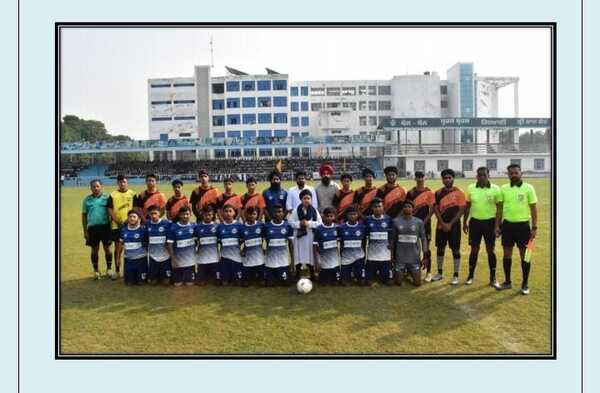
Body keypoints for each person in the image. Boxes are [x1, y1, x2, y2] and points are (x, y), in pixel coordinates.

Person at [496, 163, 538, 295]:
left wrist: (534, 227)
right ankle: (507, 282)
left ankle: (525, 284)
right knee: (506, 254)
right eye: (511, 173)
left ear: (521, 173)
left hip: (523, 226)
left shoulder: (528, 188)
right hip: (507, 225)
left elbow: (533, 208)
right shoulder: (503, 188)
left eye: (516, 172)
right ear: (507, 174)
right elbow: (500, 209)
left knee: (525, 255)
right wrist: (497, 225)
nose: (513, 175)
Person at [463, 167, 502, 287]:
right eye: (479, 175)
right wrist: (464, 222)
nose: (481, 177)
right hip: (475, 223)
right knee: (474, 249)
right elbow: (467, 207)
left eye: (484, 175)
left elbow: (499, 209)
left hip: (490, 223)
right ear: (476, 176)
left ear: (488, 175)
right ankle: (470, 275)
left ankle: (493, 277)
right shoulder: (471, 188)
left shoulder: (496, 189)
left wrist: (497, 226)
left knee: (490, 250)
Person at [432, 168, 466, 285]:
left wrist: (450, 224)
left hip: (454, 226)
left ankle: (456, 275)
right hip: (441, 226)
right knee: (440, 248)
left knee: (455, 250)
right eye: (445, 178)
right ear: (442, 179)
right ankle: (439, 273)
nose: (447, 180)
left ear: (453, 178)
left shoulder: (459, 192)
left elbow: (462, 209)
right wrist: (442, 223)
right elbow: (435, 209)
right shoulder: (437, 193)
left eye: (449, 177)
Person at [406, 171, 435, 282]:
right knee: (411, 247)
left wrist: (424, 221)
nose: (419, 179)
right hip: (412, 224)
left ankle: (428, 272)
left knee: (426, 248)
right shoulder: (411, 192)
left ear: (424, 178)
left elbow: (432, 209)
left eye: (421, 177)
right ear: (415, 178)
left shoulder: (429, 192)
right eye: (417, 177)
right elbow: (407, 208)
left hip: (425, 225)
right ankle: (409, 271)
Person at [391, 200, 428, 287]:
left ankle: (409, 272)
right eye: (405, 207)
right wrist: (392, 255)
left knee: (417, 283)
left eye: (409, 207)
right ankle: (402, 272)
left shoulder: (419, 222)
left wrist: (425, 255)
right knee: (399, 282)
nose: (407, 208)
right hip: (400, 258)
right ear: (402, 209)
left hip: (414, 258)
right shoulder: (396, 221)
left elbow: (423, 239)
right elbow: (392, 239)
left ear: (413, 209)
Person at [81, 179, 113, 280]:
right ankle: (96, 271)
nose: (95, 188)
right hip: (92, 228)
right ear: (90, 188)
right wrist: (85, 231)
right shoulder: (86, 200)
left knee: (107, 249)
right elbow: (84, 216)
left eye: (97, 186)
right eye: (93, 186)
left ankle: (109, 269)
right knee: (94, 250)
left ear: (101, 186)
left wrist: (111, 228)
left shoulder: (107, 198)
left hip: (105, 227)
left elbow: (111, 213)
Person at [289, 189, 322, 281]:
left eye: (308, 198)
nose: (306, 200)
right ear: (301, 199)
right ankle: (298, 274)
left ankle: (312, 274)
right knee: (298, 255)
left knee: (310, 255)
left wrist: (309, 223)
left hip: (310, 236)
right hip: (299, 237)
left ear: (311, 199)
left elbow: (319, 223)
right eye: (304, 198)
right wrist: (299, 224)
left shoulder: (314, 211)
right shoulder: (296, 211)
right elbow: (290, 222)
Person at [107, 174, 136, 279]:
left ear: (127, 182)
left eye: (124, 181)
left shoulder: (133, 194)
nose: (122, 184)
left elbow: (136, 208)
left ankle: (132, 270)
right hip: (117, 226)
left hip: (131, 226)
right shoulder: (112, 195)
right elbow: (109, 209)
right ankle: (117, 271)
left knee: (132, 248)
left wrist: (129, 221)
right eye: (120, 182)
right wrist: (118, 221)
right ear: (117, 183)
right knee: (118, 249)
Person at [364, 198, 394, 286]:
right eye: (375, 207)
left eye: (379, 206)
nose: (377, 208)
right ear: (371, 208)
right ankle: (375, 273)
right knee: (368, 282)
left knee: (389, 282)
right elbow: (364, 236)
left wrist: (391, 250)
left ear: (383, 207)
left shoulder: (388, 219)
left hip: (385, 256)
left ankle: (382, 273)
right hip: (372, 256)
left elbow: (391, 236)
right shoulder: (367, 220)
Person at [264, 204, 294, 286]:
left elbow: (291, 244)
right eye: (275, 212)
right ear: (272, 214)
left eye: (279, 212)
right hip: (270, 262)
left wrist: (292, 261)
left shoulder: (288, 226)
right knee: (269, 285)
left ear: (283, 213)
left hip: (283, 262)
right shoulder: (266, 226)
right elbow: (262, 241)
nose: (277, 214)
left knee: (286, 284)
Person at [166, 206, 197, 287]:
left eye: (187, 214)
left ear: (190, 215)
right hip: (178, 262)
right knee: (177, 285)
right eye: (183, 214)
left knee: (189, 285)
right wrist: (173, 259)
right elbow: (169, 244)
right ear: (179, 215)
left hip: (190, 263)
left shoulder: (194, 226)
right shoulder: (173, 228)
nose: (185, 216)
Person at [338, 206, 366, 286]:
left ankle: (358, 275)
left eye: (354, 214)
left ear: (357, 215)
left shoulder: (362, 227)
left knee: (362, 282)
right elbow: (340, 242)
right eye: (350, 214)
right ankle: (348, 276)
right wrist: (340, 253)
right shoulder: (341, 227)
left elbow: (364, 242)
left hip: (359, 257)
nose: (352, 216)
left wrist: (363, 255)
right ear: (347, 215)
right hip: (346, 258)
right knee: (344, 283)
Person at [216, 204, 244, 286]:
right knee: (224, 283)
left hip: (237, 258)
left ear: (234, 213)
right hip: (225, 258)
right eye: (226, 211)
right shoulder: (220, 227)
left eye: (230, 211)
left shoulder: (239, 226)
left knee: (238, 282)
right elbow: (218, 242)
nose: (228, 213)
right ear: (222, 213)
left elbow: (245, 240)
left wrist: (243, 249)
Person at [119, 210, 148, 285]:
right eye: (130, 217)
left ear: (139, 219)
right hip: (128, 260)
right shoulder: (123, 230)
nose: (132, 218)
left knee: (141, 283)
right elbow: (121, 244)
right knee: (129, 283)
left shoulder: (143, 230)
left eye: (134, 217)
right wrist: (118, 257)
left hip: (141, 260)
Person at [313, 207, 340, 285]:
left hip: (335, 263)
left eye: (331, 216)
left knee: (336, 283)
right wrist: (316, 262)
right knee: (323, 283)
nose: (329, 218)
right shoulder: (319, 229)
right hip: (324, 264)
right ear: (323, 217)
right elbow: (315, 246)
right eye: (327, 216)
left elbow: (340, 242)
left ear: (334, 217)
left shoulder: (337, 228)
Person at [146, 205, 172, 285]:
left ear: (159, 213)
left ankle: (164, 276)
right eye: (151, 214)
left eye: (155, 213)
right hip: (153, 257)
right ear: (148, 214)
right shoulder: (146, 224)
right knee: (153, 283)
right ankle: (155, 276)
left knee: (166, 282)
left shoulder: (167, 223)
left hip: (165, 257)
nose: (153, 216)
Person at [240, 206, 266, 286]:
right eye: (250, 214)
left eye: (254, 214)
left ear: (257, 215)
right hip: (248, 258)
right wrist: (242, 249)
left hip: (259, 257)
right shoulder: (242, 227)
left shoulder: (261, 225)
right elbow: (241, 241)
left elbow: (265, 239)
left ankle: (260, 277)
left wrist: (265, 248)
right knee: (245, 283)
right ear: (246, 215)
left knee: (262, 283)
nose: (252, 216)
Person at [194, 206, 220, 286]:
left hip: (214, 258)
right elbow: (194, 241)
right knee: (201, 283)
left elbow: (221, 242)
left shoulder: (217, 226)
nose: (207, 217)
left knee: (217, 283)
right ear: (202, 215)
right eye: (205, 215)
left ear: (213, 215)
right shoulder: (197, 227)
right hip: (202, 258)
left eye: (209, 215)